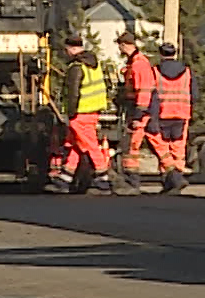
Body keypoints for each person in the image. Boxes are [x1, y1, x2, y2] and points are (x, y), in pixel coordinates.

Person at [47, 34, 118, 194]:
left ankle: (103, 177)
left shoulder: (76, 67)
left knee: (89, 145)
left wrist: (70, 113)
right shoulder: (94, 64)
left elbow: (73, 93)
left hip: (80, 113)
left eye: (67, 50)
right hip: (93, 111)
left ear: (72, 49)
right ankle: (65, 178)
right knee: (75, 145)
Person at [146, 43, 196, 194]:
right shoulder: (187, 72)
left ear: (161, 54)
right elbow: (195, 95)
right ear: (175, 54)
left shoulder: (155, 71)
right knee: (178, 148)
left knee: (162, 146)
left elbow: (151, 95)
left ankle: (170, 178)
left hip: (162, 114)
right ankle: (175, 179)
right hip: (182, 114)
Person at [115, 30, 156, 189]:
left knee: (131, 146)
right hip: (138, 108)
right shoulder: (134, 63)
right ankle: (172, 177)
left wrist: (139, 113)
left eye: (120, 46)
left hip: (139, 110)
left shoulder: (139, 64)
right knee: (138, 145)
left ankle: (132, 182)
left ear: (125, 45)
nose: (119, 50)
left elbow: (144, 90)